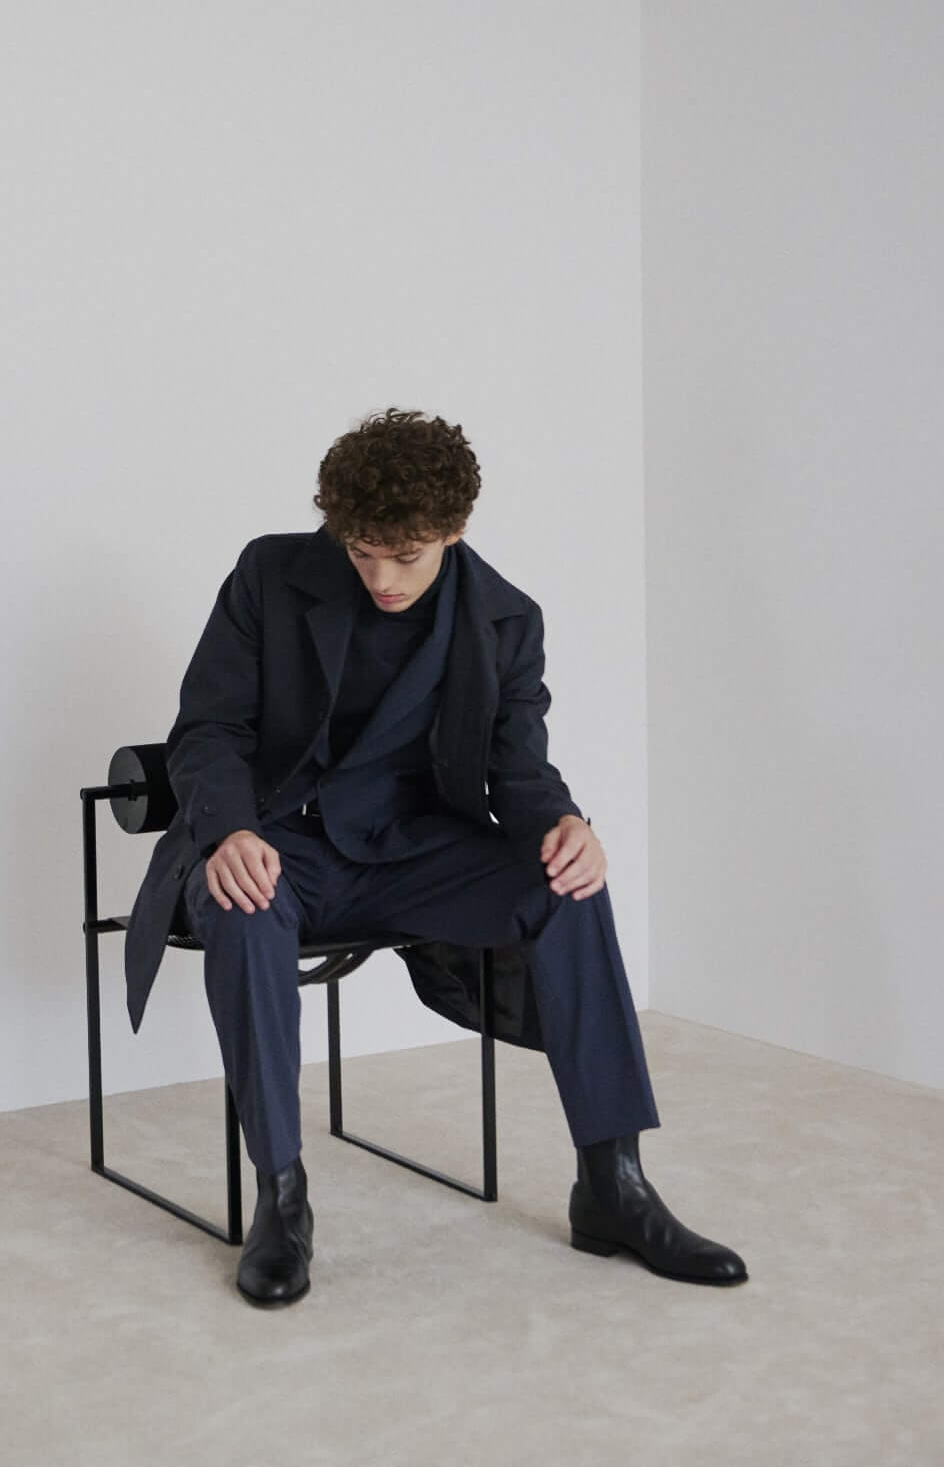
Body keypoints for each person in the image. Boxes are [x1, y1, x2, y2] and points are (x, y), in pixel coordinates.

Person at [123, 407, 748, 1307]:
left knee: (570, 886)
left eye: (405, 555)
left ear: (453, 531)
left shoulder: (505, 619)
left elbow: (517, 768)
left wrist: (564, 823)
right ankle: (282, 1200)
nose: (380, 576)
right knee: (244, 901)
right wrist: (228, 832)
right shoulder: (269, 574)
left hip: (412, 854)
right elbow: (209, 727)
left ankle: (613, 1186)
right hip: (279, 845)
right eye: (361, 551)